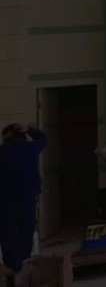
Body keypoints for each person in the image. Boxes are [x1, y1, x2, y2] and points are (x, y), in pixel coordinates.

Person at [0, 123, 46, 287]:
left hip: (5, 204)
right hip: (27, 202)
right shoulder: (30, 148)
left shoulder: (2, 152)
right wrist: (30, 130)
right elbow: (43, 138)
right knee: (25, 238)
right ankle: (21, 273)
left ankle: (14, 274)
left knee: (9, 240)